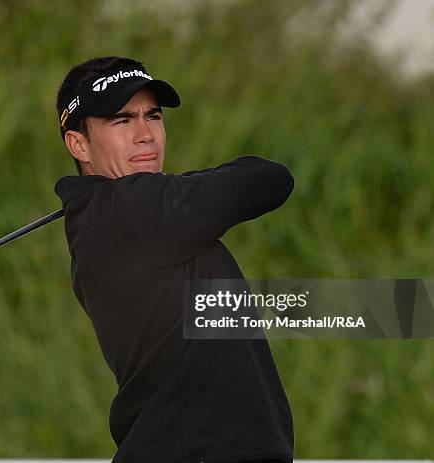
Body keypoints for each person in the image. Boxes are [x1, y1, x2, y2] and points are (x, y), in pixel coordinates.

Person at [54, 56, 294, 463]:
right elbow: (268, 178)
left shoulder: (106, 216)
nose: (146, 135)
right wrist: (172, 186)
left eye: (153, 116)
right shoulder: (134, 210)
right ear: (79, 144)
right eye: (121, 121)